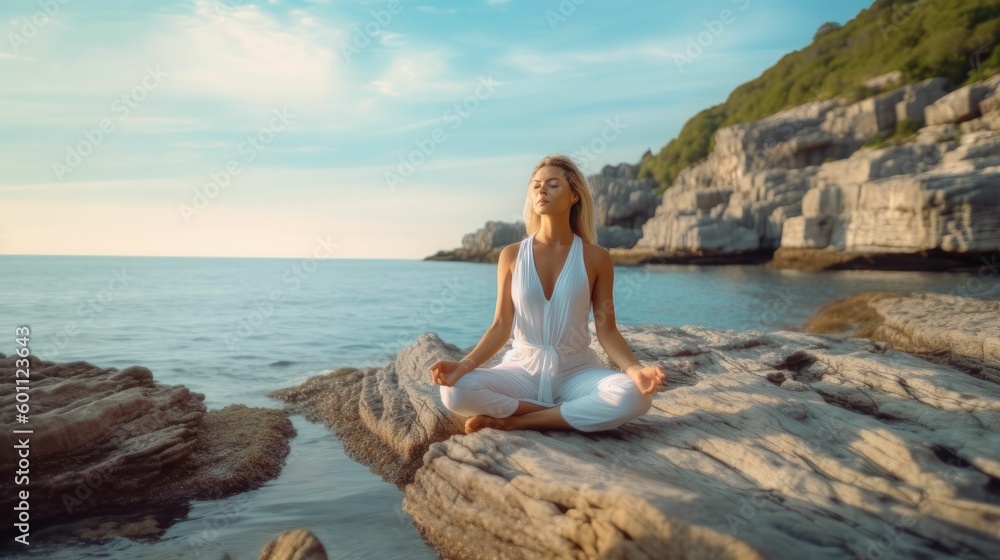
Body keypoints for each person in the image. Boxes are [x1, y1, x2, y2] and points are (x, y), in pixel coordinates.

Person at [429, 154, 667, 434]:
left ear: (574, 196)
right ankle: (563, 414)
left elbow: (607, 330)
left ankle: (516, 421)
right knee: (455, 392)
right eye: (536, 185)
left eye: (553, 184)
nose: (542, 190)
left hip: (575, 373)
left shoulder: (596, 257)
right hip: (521, 373)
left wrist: (634, 370)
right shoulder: (512, 255)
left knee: (635, 394)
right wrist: (462, 366)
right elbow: (500, 327)